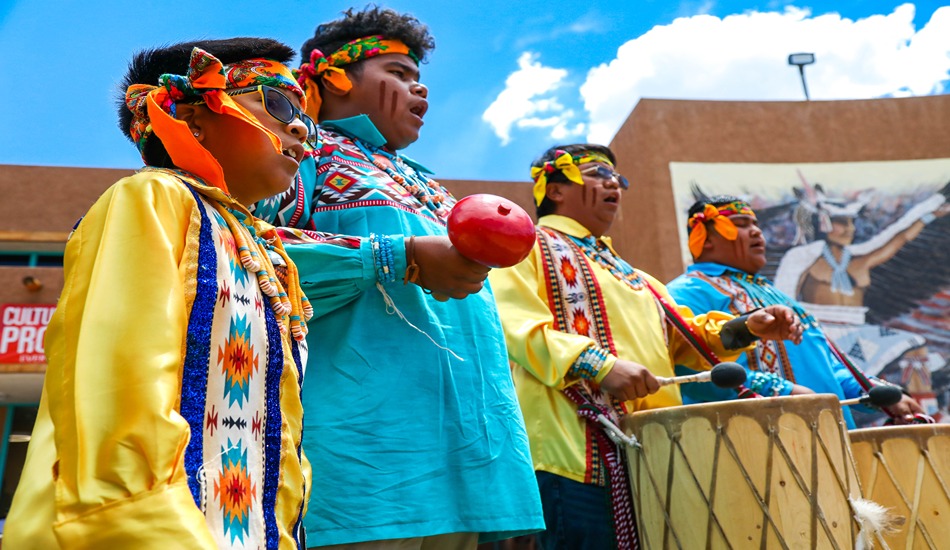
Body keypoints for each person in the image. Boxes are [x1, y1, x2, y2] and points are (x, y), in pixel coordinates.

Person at [4, 38, 316, 548]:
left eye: (306, 116)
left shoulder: (260, 249)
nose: (301, 127)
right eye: (279, 104)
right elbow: (119, 393)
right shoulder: (151, 197)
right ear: (192, 116)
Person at [252, 7, 544, 549]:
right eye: (399, 72)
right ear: (333, 77)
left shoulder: (430, 185)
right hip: (364, 462)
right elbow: (245, 254)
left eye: (418, 77)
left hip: (469, 464)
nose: (420, 89)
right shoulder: (302, 152)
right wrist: (396, 256)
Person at [487, 144, 804, 550]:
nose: (614, 183)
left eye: (617, 177)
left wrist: (747, 326)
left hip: (654, 452)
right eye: (598, 173)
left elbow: (686, 339)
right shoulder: (525, 245)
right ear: (555, 189)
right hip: (573, 451)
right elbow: (513, 325)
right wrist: (600, 366)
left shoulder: (639, 278)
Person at [666, 195, 926, 428]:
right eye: (741, 224)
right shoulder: (686, 292)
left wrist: (876, 392)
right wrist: (782, 391)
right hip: (754, 440)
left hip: (831, 433)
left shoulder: (776, 295)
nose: (756, 231)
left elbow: (827, 369)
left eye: (755, 224)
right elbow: (690, 371)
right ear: (705, 239)